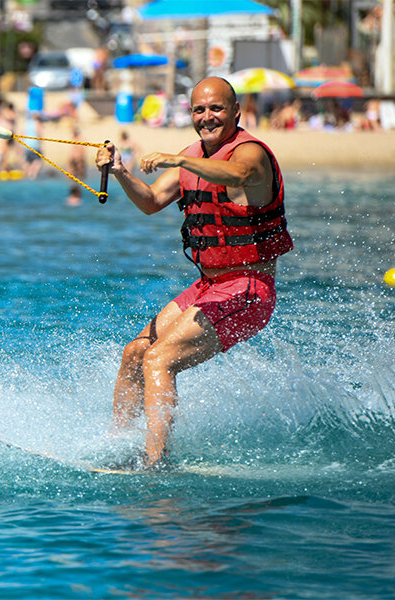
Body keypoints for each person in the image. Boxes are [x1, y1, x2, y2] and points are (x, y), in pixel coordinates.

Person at [95, 77, 293, 468]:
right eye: (199, 110)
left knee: (159, 359)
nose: (207, 117)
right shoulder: (191, 155)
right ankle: (118, 447)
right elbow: (151, 201)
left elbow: (235, 175)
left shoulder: (250, 153)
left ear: (236, 111)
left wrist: (180, 160)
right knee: (136, 352)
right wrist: (120, 172)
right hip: (209, 285)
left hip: (249, 290)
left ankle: (155, 461)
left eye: (216, 108)